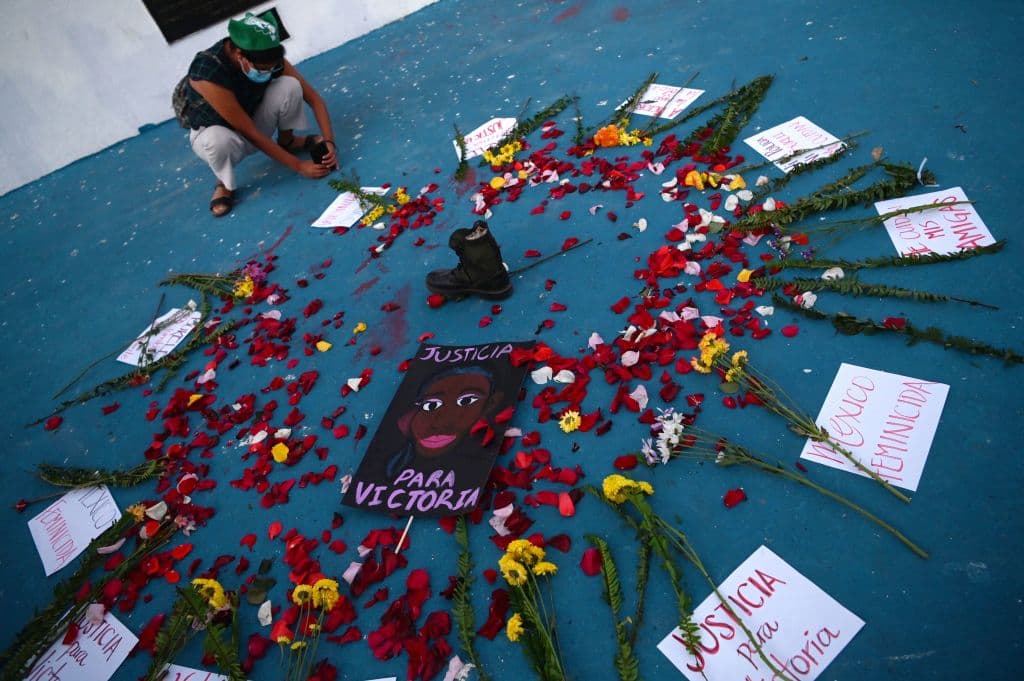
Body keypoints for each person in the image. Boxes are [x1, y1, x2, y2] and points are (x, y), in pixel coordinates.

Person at [174, 11, 338, 216]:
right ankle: (224, 183)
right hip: (219, 131)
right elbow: (248, 131)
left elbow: (313, 98)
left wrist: (330, 143)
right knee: (216, 140)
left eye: (272, 67)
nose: (268, 72)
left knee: (290, 85)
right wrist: (299, 166)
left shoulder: (268, 56)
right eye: (262, 69)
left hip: (251, 116)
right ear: (239, 55)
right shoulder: (207, 70)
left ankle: (288, 141)